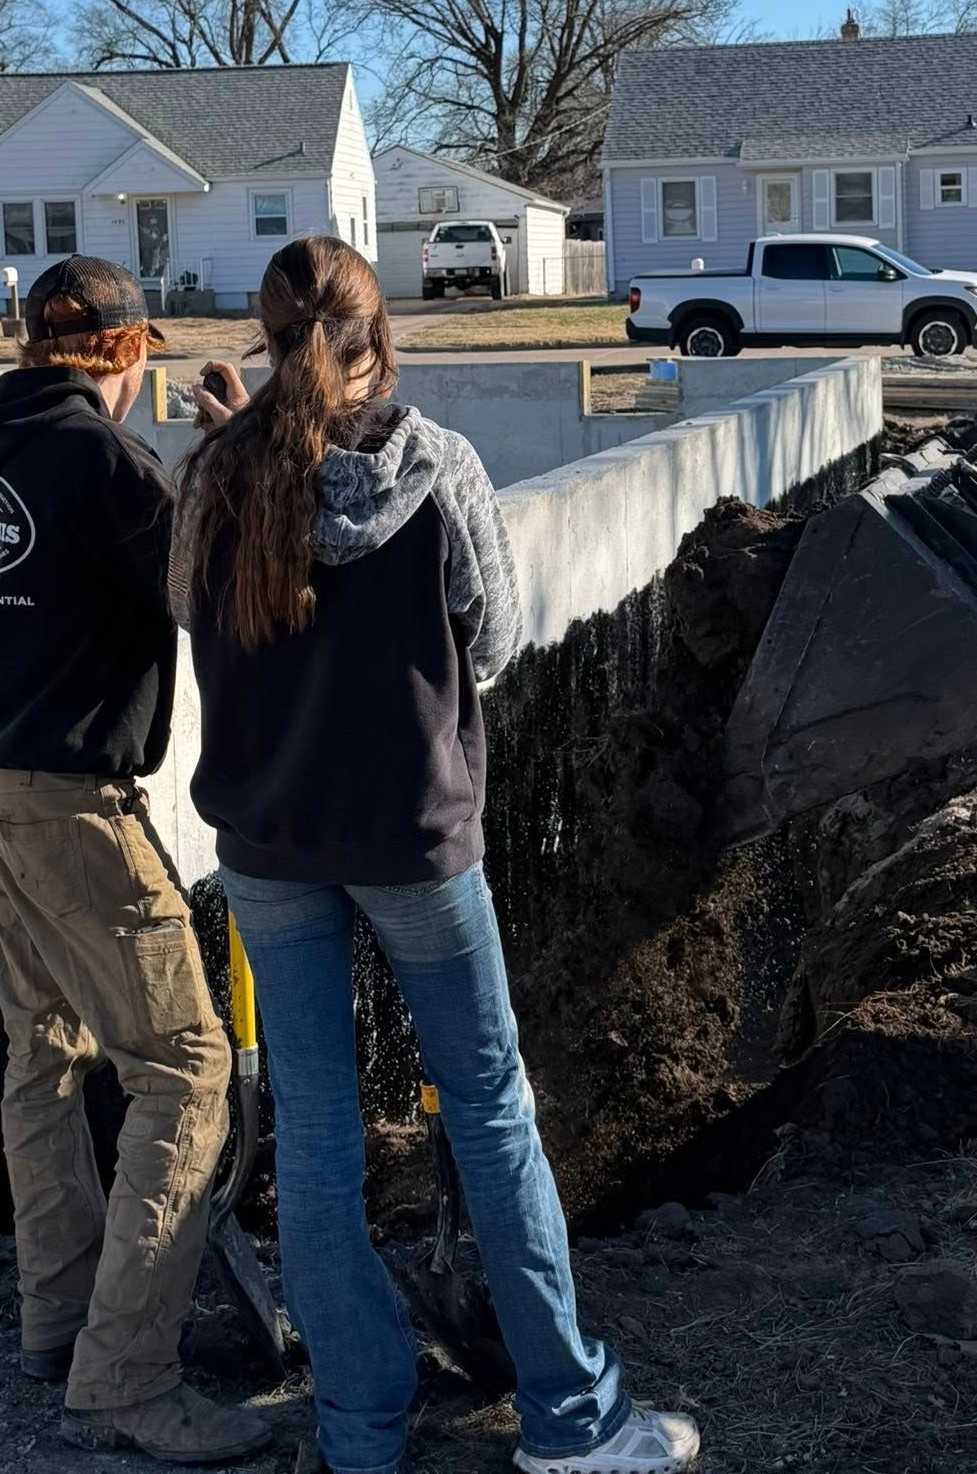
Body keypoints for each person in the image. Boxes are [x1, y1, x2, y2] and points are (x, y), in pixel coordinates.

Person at [173, 234, 701, 1474]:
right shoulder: (437, 464)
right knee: (489, 1110)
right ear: (377, 339)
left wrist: (248, 443)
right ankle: (571, 1418)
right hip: (413, 838)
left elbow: (197, 611)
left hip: (264, 840)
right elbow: (497, 637)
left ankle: (360, 1429)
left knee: (313, 1132)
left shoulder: (210, 478)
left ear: (265, 336)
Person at [0, 255, 271, 1467]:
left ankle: (55, 1319)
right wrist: (235, 462)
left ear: (31, 349)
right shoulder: (107, 464)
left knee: (46, 1049)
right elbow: (221, 591)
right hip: (71, 807)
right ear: (125, 355)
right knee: (186, 1064)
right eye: (145, 361)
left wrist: (17, 717)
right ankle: (123, 1372)